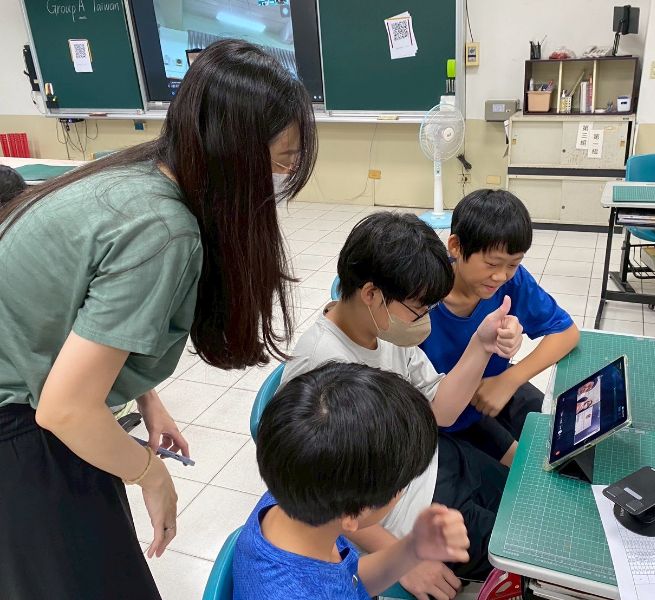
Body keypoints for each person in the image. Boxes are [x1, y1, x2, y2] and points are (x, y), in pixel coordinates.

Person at [0, 39, 317, 600]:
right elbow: (64, 408)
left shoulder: (139, 176)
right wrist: (150, 473)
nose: (286, 174)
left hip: (42, 408)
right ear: (234, 152)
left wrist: (146, 399)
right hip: (22, 434)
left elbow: (82, 319)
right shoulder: (163, 230)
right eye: (283, 159)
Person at [283, 212, 522, 599]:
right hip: (404, 512)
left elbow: (441, 409)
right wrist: (402, 557)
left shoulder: (383, 329)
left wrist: (482, 344)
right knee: (523, 554)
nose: (424, 319)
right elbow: (321, 499)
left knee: (524, 502)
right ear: (371, 294)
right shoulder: (320, 368)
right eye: (418, 309)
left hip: (436, 460)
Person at [234, 362, 471, 599]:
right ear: (351, 516)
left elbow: (348, 580)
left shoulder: (294, 490)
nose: (403, 491)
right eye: (402, 486)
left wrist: (413, 547)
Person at [420, 190, 579, 467]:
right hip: (436, 420)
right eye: (492, 263)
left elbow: (567, 332)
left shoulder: (511, 283)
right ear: (455, 246)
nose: (501, 275)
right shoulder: (420, 298)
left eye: (513, 264)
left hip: (488, 395)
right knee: (503, 479)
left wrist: (509, 379)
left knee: (566, 439)